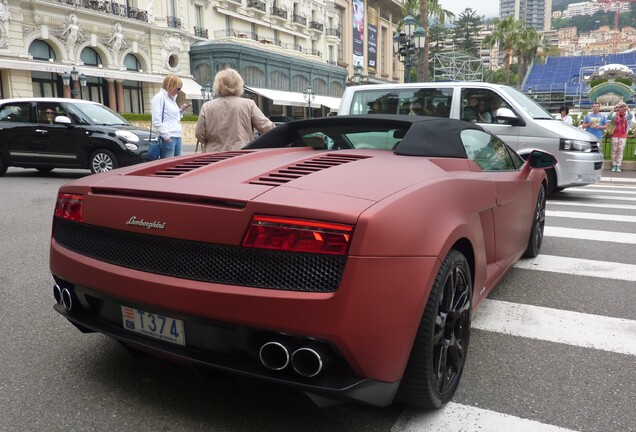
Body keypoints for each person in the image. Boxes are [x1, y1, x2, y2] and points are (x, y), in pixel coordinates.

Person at [195, 68, 274, 153]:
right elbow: (267, 128)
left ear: (217, 85)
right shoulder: (248, 104)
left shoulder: (207, 107)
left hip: (213, 156)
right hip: (240, 155)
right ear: (239, 84)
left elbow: (199, 134)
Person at [151, 74, 189, 159]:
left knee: (177, 165)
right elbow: (156, 120)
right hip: (169, 136)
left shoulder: (171, 99)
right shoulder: (159, 98)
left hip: (177, 136)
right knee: (168, 166)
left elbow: (173, 118)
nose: (179, 91)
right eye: (178, 88)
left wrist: (181, 111)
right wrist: (166, 137)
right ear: (171, 86)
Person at [607, 102, 633, 172]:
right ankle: (614, 164)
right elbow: (608, 117)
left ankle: (618, 165)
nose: (621, 108)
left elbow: (631, 116)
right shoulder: (615, 116)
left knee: (620, 150)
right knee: (614, 150)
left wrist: (627, 109)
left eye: (622, 107)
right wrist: (614, 108)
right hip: (615, 134)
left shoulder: (626, 117)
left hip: (623, 135)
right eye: (620, 107)